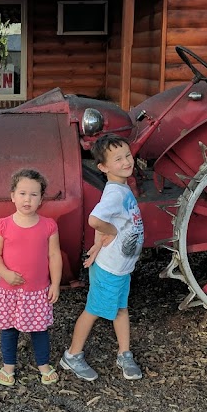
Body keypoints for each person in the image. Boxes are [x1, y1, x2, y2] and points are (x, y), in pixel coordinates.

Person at [61, 134, 144, 382]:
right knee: (93, 311)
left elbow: (107, 216)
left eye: (128, 155)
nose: (127, 161)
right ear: (103, 167)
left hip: (120, 268)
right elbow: (96, 219)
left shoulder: (119, 187)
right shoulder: (115, 193)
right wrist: (112, 232)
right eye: (118, 159)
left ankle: (124, 353)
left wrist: (98, 242)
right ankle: (72, 356)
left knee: (120, 309)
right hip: (110, 269)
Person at [0, 169, 63, 386]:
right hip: (9, 290)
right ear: (12, 196)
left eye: (33, 194)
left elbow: (54, 255)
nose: (27, 199)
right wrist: (5, 274)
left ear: (41, 199)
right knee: (9, 329)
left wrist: (55, 284)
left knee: (39, 330)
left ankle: (43, 365)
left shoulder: (48, 225)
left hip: (38, 290)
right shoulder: (2, 225)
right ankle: (9, 366)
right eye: (22, 193)